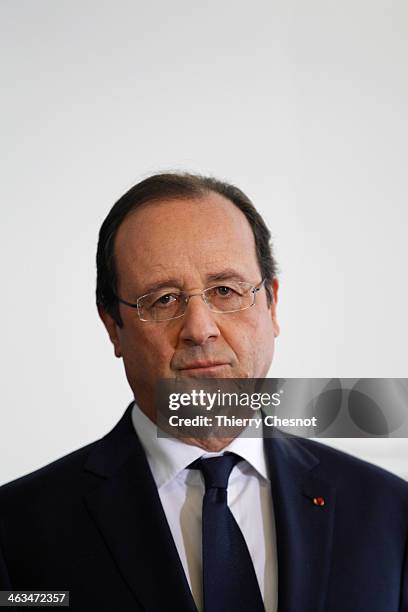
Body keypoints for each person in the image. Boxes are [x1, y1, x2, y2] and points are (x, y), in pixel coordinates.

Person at [0, 173, 407, 612]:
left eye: (226, 291)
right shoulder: (16, 531)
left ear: (271, 305)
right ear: (112, 327)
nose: (200, 329)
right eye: (163, 300)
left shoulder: (389, 512)